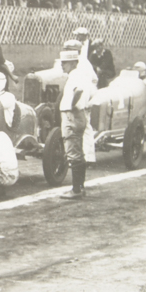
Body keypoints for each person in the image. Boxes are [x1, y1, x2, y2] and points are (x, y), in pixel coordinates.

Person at [59, 49, 96, 199]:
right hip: (78, 114)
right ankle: (79, 187)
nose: (62, 65)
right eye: (62, 63)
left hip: (72, 114)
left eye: (65, 63)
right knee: (78, 152)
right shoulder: (80, 75)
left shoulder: (75, 76)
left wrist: (71, 106)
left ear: (74, 62)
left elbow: (78, 91)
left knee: (73, 152)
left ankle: (76, 190)